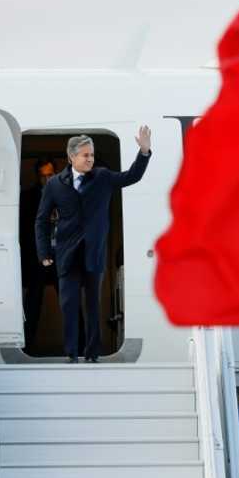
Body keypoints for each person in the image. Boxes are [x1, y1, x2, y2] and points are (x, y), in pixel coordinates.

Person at [35, 128, 152, 362]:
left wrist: (144, 151)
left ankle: (92, 353)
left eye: (92, 155)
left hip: (94, 254)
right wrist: (44, 252)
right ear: (72, 157)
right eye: (85, 155)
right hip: (66, 255)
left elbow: (132, 176)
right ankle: (71, 353)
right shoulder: (55, 184)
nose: (90, 159)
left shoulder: (102, 177)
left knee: (92, 307)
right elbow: (41, 219)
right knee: (68, 306)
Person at [20, 158, 58, 353]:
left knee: (70, 300)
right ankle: (26, 345)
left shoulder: (66, 193)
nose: (46, 179)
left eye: (50, 175)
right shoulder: (26, 198)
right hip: (38, 258)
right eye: (42, 176)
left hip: (62, 256)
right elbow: (24, 231)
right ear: (37, 177)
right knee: (33, 302)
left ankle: (81, 344)